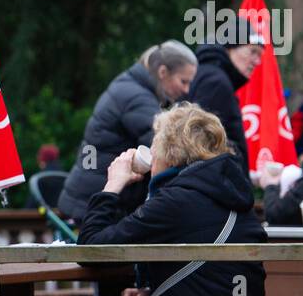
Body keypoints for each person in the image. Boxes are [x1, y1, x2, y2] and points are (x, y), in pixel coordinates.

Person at [79, 102, 267, 296]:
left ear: (168, 154)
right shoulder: (232, 195)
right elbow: (215, 280)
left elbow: (90, 250)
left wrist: (112, 186)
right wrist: (155, 291)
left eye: (154, 146)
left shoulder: (176, 201)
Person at [58, 40, 198, 221]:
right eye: (183, 81)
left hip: (88, 197)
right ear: (163, 72)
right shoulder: (136, 97)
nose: (186, 90)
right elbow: (168, 146)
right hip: (95, 204)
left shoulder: (132, 87)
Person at [187, 34, 262, 165]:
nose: (257, 62)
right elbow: (201, 141)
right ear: (230, 48)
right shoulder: (216, 82)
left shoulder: (211, 75)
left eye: (259, 55)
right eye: (253, 51)